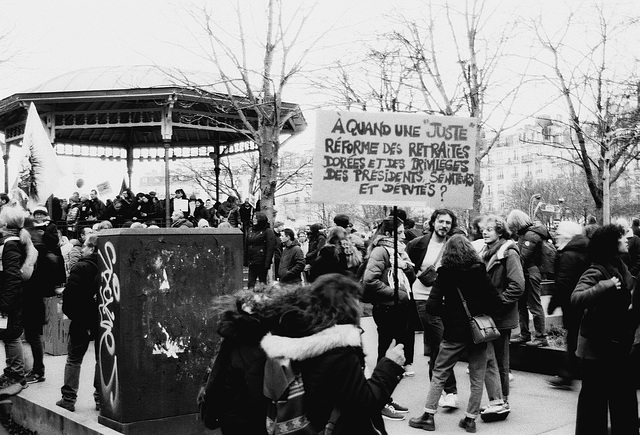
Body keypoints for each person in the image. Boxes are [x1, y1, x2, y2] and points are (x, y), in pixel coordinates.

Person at [261, 274, 406, 435]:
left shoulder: (302, 337)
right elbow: (365, 402)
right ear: (347, 305)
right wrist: (390, 366)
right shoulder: (338, 351)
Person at [408, 235, 505, 433]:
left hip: (453, 334)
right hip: (478, 334)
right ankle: (470, 420)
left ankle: (428, 416)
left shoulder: (445, 273)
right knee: (477, 376)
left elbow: (432, 307)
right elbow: (496, 302)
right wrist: (480, 312)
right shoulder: (480, 271)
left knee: (440, 372)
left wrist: (451, 314)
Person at [571, 224, 639, 434]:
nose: (627, 239)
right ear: (611, 243)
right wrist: (604, 286)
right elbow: (576, 298)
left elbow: (630, 288)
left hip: (612, 344)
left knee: (620, 396)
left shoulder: (620, 265)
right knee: (594, 401)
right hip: (594, 348)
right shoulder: (597, 270)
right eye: (622, 237)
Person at [362, 216, 414, 421]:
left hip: (398, 307)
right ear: (390, 234)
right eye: (400, 233)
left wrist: (407, 268)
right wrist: (395, 293)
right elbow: (369, 280)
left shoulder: (398, 251)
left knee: (394, 353)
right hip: (387, 307)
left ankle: (386, 398)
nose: (404, 236)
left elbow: (407, 273)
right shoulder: (381, 250)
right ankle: (380, 401)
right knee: (386, 353)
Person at [406, 209, 459, 408]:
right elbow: (407, 265)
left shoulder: (453, 244)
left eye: (448, 222)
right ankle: (450, 391)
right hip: (423, 298)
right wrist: (416, 281)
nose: (444, 225)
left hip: (447, 300)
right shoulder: (417, 244)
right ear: (433, 222)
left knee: (440, 344)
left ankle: (437, 390)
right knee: (441, 342)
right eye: (440, 221)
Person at [477, 215, 525, 410]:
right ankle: (496, 399)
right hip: (489, 316)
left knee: (500, 360)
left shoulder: (508, 253)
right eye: (483, 229)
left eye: (489, 229)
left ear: (499, 231)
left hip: (500, 315)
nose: (485, 232)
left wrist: (498, 303)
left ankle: (502, 400)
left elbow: (518, 285)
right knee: (491, 359)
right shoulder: (486, 252)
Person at [56, 233, 101, 412]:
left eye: (85, 246)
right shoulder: (111, 265)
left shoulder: (81, 267)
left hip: (82, 319)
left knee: (74, 359)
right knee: (102, 359)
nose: (82, 249)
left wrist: (72, 314)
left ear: (92, 248)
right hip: (103, 320)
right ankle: (101, 399)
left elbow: (71, 297)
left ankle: (68, 399)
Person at [545, 221, 589, 391]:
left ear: (567, 235)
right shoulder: (583, 250)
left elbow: (564, 282)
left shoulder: (568, 254)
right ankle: (572, 372)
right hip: (582, 301)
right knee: (577, 338)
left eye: (559, 233)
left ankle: (567, 375)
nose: (556, 236)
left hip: (572, 303)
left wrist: (553, 302)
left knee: (572, 339)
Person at [506, 209, 551, 347]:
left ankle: (540, 336)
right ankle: (525, 334)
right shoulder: (527, 234)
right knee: (522, 305)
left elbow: (522, 257)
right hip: (528, 273)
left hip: (531, 273)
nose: (512, 229)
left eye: (512, 225)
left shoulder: (530, 235)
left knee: (534, 305)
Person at [0, 206, 31, 391]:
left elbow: (12, 277)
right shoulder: (13, 242)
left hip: (9, 300)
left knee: (11, 336)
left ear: (5, 224)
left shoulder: (10, 245)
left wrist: (5, 303)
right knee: (8, 335)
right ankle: (13, 372)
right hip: (10, 298)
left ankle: (17, 375)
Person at [244, 212, 277, 289]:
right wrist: (245, 260)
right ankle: (250, 297)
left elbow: (270, 248)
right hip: (252, 260)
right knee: (250, 283)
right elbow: (246, 245)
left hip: (261, 261)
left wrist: (267, 263)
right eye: (253, 218)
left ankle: (263, 298)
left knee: (262, 282)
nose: (254, 220)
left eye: (256, 218)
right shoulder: (250, 230)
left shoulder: (267, 231)